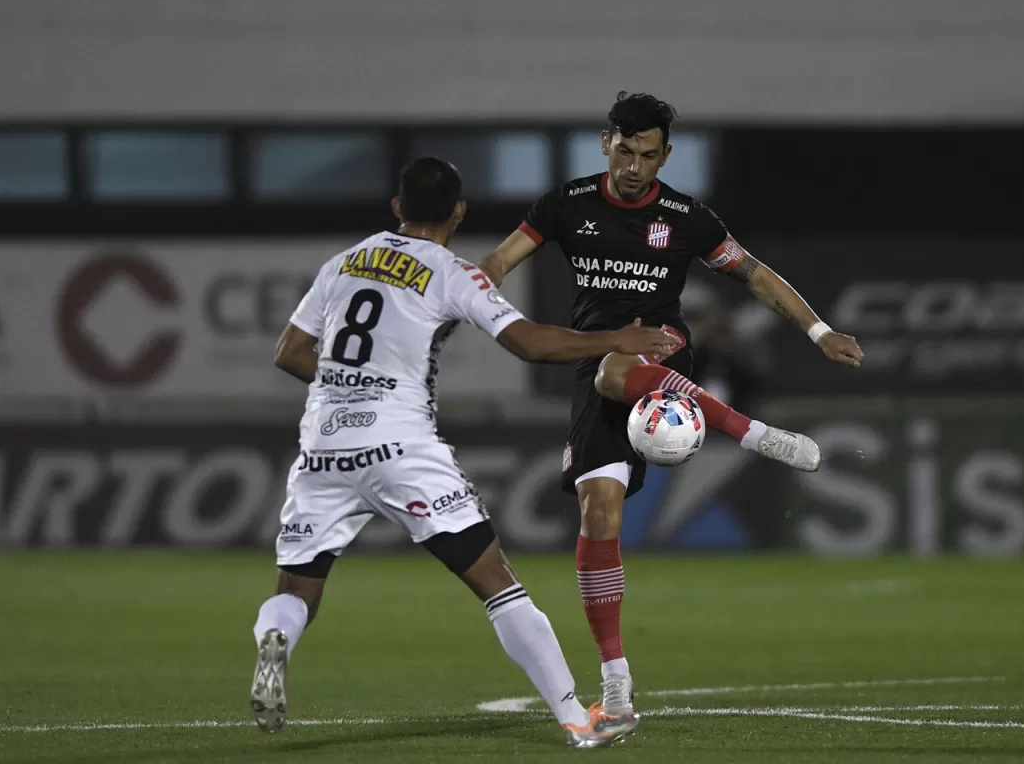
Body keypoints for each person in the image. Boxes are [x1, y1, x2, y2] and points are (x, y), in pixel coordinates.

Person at [251, 156, 677, 749]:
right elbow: (528, 342)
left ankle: (277, 642)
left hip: (323, 442)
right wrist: (616, 338)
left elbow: (291, 352)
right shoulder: (452, 272)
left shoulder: (343, 264)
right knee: (497, 582)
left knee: (296, 590)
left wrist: (348, 386)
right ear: (458, 212)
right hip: (401, 442)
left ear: (397, 209)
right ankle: (578, 720)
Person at [478, 92, 864, 719]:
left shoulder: (687, 218)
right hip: (594, 363)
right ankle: (617, 675)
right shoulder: (565, 206)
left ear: (666, 155)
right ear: (606, 142)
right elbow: (499, 260)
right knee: (598, 512)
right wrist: (461, 291)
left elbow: (757, 275)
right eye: (625, 151)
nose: (635, 166)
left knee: (614, 369)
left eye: (649, 155)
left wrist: (820, 332)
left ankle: (750, 432)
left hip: (662, 352)